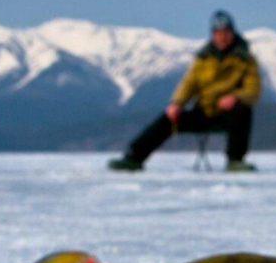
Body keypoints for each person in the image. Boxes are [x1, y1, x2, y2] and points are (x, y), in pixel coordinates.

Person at [109, 10, 261, 172]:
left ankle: (235, 160)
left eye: (226, 32)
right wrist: (177, 103)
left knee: (243, 110)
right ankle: (134, 157)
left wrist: (235, 97)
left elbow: (253, 90)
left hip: (228, 115)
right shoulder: (203, 58)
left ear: (232, 33)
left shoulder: (245, 59)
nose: (222, 37)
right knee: (169, 117)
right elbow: (189, 84)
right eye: (218, 33)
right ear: (212, 34)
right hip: (203, 112)